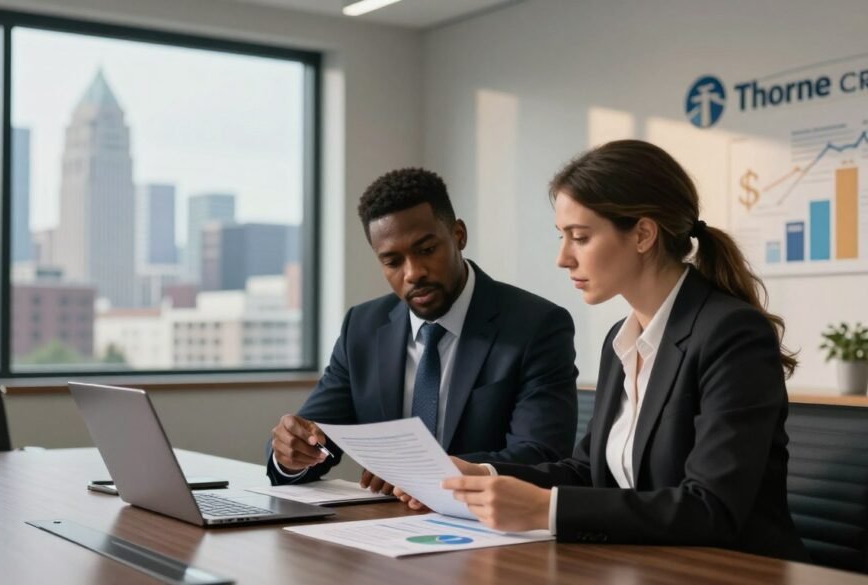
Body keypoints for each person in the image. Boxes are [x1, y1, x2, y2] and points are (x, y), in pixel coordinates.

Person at [400, 140, 808, 562]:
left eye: (580, 237)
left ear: (643, 234)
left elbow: (711, 508)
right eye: (562, 237)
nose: (563, 258)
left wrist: (546, 509)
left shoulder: (731, 333)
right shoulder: (623, 338)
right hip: (648, 566)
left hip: (735, 571)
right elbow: (589, 471)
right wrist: (481, 474)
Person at [267, 167, 579, 489]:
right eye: (393, 261)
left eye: (427, 250)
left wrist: (428, 471)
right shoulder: (362, 327)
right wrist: (291, 453)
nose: (414, 273)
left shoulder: (536, 326)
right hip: (389, 525)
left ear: (459, 235)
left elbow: (543, 456)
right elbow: (315, 438)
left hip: (489, 525)